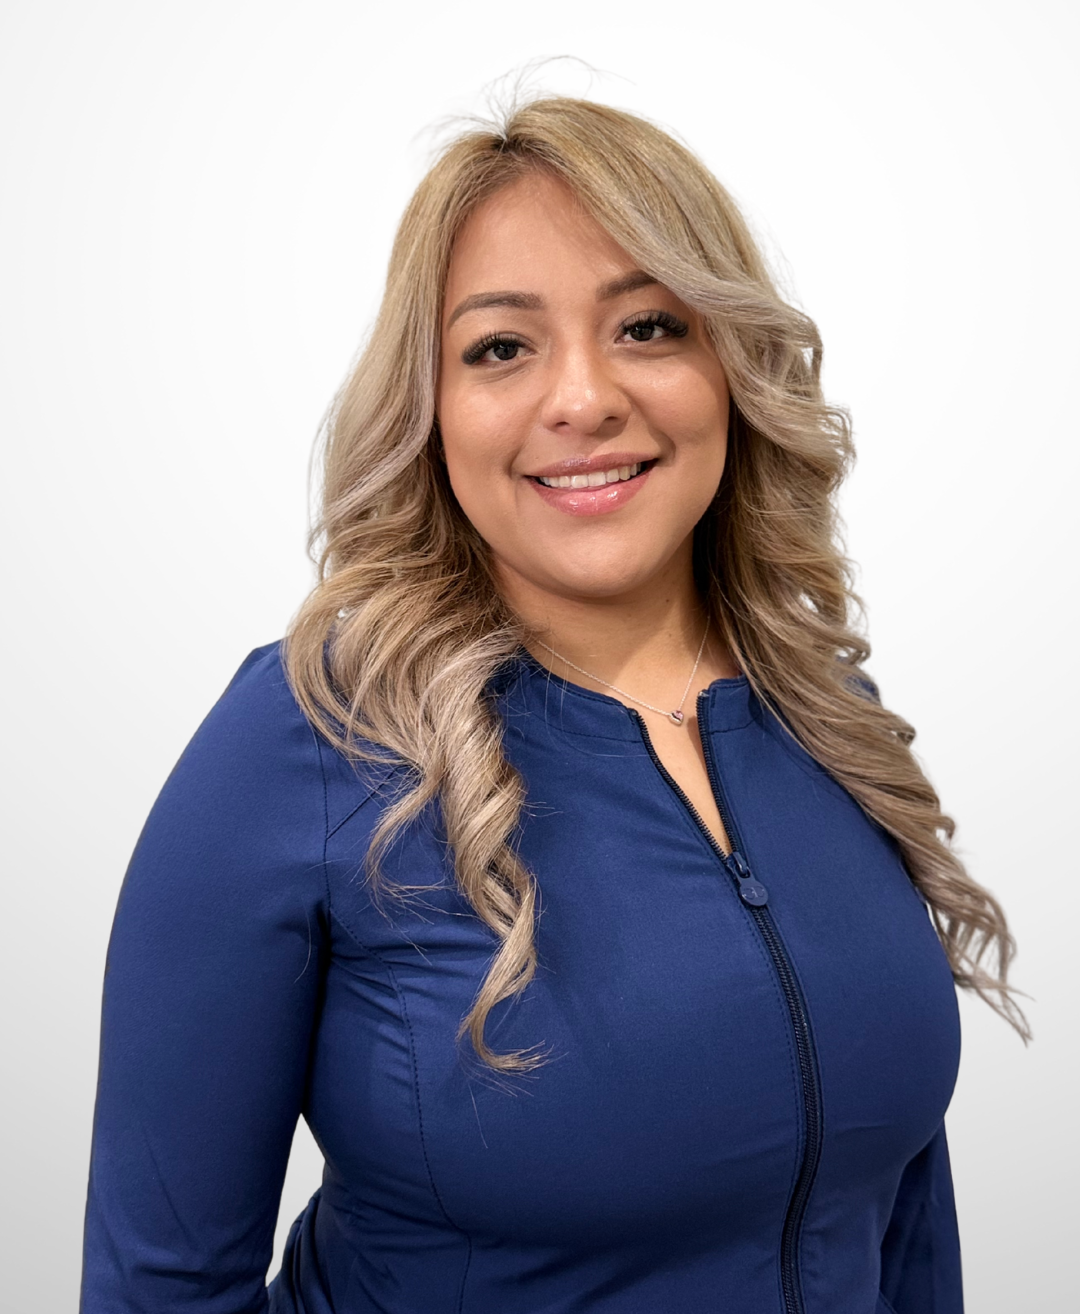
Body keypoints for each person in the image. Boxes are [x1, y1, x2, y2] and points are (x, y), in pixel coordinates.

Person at [79, 96, 1025, 1314]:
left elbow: (897, 1219)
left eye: (645, 325)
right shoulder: (311, 736)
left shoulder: (826, 710)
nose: (582, 398)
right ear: (429, 408)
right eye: (501, 348)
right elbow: (160, 1292)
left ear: (728, 369)